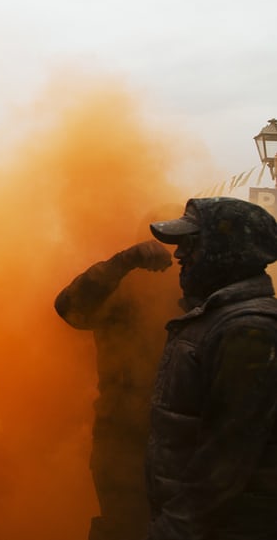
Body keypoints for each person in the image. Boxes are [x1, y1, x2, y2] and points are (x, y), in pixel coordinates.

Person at [145, 196, 277, 539]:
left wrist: (173, 529)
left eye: (192, 243)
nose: (179, 255)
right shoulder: (216, 318)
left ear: (228, 250)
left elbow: (228, 456)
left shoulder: (250, 329)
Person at [54, 237, 179, 540]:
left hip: (180, 446)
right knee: (123, 527)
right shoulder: (120, 293)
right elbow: (69, 307)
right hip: (123, 441)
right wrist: (123, 261)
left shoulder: (201, 295)